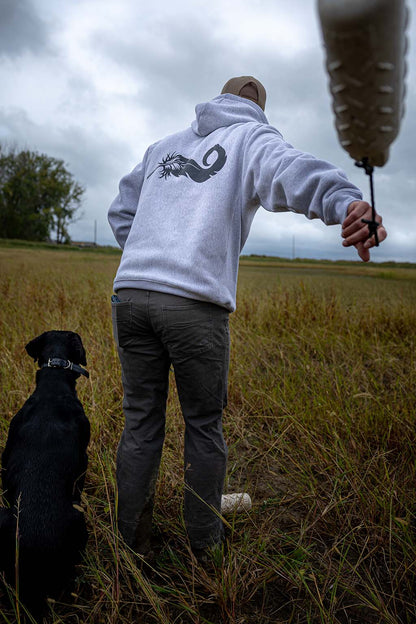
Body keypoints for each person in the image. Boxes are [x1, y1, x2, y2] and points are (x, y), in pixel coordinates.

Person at [108, 75, 387, 558]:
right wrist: (347, 203)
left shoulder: (163, 147)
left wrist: (149, 258)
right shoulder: (253, 137)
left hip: (129, 296)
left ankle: (132, 546)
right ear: (259, 108)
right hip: (193, 304)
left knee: (140, 424)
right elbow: (294, 174)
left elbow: (120, 213)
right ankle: (204, 550)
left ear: (219, 97)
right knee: (202, 424)